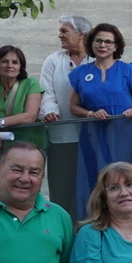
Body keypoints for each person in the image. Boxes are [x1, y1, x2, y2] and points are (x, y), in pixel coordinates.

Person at [71, 23, 132, 218]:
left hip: (125, 133)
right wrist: (90, 114)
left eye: (108, 41)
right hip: (93, 136)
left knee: (127, 178)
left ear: (116, 46)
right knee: (94, 179)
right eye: (98, 40)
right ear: (91, 44)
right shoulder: (81, 73)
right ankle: (94, 223)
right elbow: (73, 107)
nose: (103, 45)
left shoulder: (127, 70)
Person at [40, 15, 92, 213]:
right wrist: (49, 111)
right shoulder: (53, 60)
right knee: (62, 193)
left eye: (64, 31)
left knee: (90, 190)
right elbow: (46, 93)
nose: (59, 35)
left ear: (81, 35)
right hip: (62, 138)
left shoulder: (97, 60)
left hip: (92, 137)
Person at [0, 45, 48, 156]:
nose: (9, 65)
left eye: (15, 62)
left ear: (20, 67)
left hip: (29, 147)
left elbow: (30, 116)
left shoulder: (30, 83)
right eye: (4, 61)